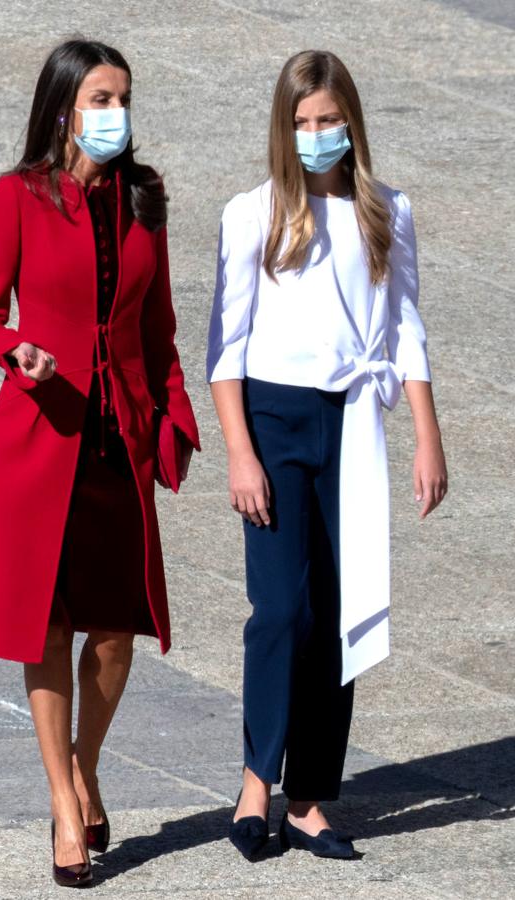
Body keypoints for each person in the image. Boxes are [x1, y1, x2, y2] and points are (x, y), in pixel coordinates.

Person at [0, 39, 199, 887]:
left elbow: (160, 326)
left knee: (116, 629)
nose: (116, 113)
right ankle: (65, 803)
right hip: (41, 438)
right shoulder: (16, 197)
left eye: (124, 98)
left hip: (117, 439)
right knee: (48, 627)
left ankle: (84, 760)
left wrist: (174, 417)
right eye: (101, 97)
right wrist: (16, 350)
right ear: (65, 107)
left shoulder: (145, 199)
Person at [207, 49, 447, 861]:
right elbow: (225, 347)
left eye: (329, 121)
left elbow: (405, 326)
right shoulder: (254, 213)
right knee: (281, 608)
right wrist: (241, 453)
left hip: (351, 421)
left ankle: (307, 798)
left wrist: (426, 435)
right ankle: (254, 782)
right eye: (302, 123)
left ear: (351, 122)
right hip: (273, 423)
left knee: (337, 615)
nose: (316, 136)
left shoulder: (388, 210)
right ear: (285, 127)